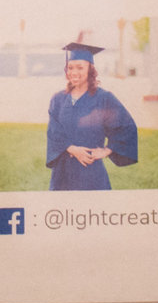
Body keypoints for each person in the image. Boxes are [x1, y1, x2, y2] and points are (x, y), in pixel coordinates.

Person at [44, 37, 139, 191]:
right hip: (62, 175)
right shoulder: (58, 99)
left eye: (80, 68)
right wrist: (72, 149)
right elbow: (54, 132)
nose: (74, 72)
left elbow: (126, 127)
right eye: (70, 68)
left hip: (91, 173)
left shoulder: (104, 98)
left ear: (90, 70)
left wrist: (107, 150)